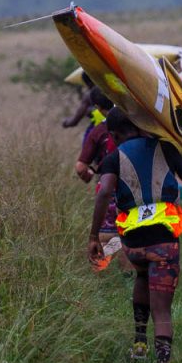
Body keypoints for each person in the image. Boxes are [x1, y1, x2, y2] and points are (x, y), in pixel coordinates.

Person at [88, 108, 182, 363]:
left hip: (133, 243)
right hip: (163, 242)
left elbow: (104, 192)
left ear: (114, 134)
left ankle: (139, 344)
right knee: (161, 309)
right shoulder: (166, 148)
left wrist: (94, 236)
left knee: (142, 276)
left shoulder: (113, 158)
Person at [74, 87, 126, 272]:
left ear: (97, 107)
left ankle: (101, 272)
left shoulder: (98, 131)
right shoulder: (135, 125)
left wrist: (89, 175)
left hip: (107, 189)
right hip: (135, 189)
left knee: (106, 235)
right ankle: (128, 276)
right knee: (131, 235)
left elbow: (81, 167)